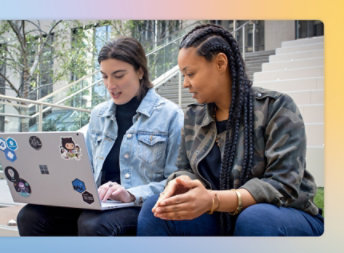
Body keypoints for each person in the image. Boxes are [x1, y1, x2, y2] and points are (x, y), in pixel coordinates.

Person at [137, 24, 324, 236]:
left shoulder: (276, 107)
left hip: (283, 216)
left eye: (190, 73)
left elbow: (283, 185)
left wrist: (213, 200)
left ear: (220, 63)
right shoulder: (193, 117)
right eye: (183, 75)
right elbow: (184, 169)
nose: (185, 84)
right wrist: (182, 185)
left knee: (255, 219)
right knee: (156, 210)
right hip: (219, 219)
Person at [16, 37, 183, 236]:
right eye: (104, 76)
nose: (110, 85)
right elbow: (84, 169)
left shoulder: (171, 115)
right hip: (97, 203)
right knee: (31, 216)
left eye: (118, 75)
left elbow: (176, 182)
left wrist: (130, 194)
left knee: (93, 224)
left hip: (138, 206)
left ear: (140, 71)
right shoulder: (99, 114)